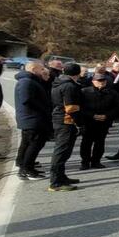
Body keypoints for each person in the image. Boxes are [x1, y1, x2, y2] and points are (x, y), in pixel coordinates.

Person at [48, 63, 84, 191]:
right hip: (66, 121)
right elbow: (71, 108)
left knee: (64, 151)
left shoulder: (59, 82)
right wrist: (79, 123)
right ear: (78, 74)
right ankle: (55, 182)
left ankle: (61, 176)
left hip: (60, 118)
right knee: (61, 151)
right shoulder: (69, 86)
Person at [14, 61, 52, 180]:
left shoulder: (31, 80)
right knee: (34, 144)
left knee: (28, 144)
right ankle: (27, 170)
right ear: (34, 69)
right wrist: (44, 109)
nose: (43, 71)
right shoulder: (27, 82)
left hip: (32, 118)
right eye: (41, 69)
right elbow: (27, 99)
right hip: (32, 119)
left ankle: (25, 166)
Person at [78, 71, 119, 170]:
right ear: (93, 81)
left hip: (104, 122)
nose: (101, 82)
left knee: (100, 142)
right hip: (89, 121)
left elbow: (117, 107)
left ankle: (96, 161)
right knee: (86, 143)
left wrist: (107, 116)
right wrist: (92, 115)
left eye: (103, 80)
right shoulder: (84, 92)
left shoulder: (112, 93)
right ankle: (85, 162)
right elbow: (80, 107)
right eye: (99, 80)